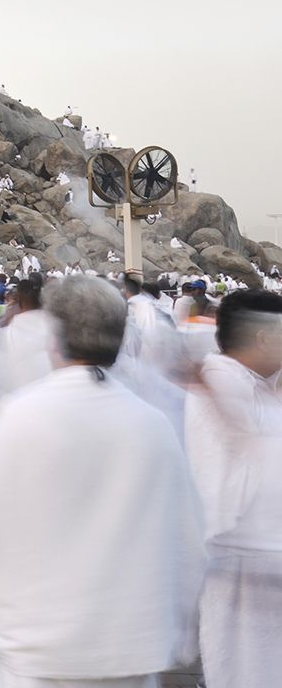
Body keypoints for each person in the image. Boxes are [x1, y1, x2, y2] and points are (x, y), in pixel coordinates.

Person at [0, 276, 206, 688]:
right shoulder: (151, 425)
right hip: (127, 653)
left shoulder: (19, 415)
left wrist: (5, 623)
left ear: (55, 340)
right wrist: (166, 635)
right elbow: (189, 543)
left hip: (39, 653)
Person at [186, 289, 282, 686]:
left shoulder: (258, 385)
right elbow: (241, 482)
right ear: (265, 338)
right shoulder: (221, 385)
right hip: (241, 571)